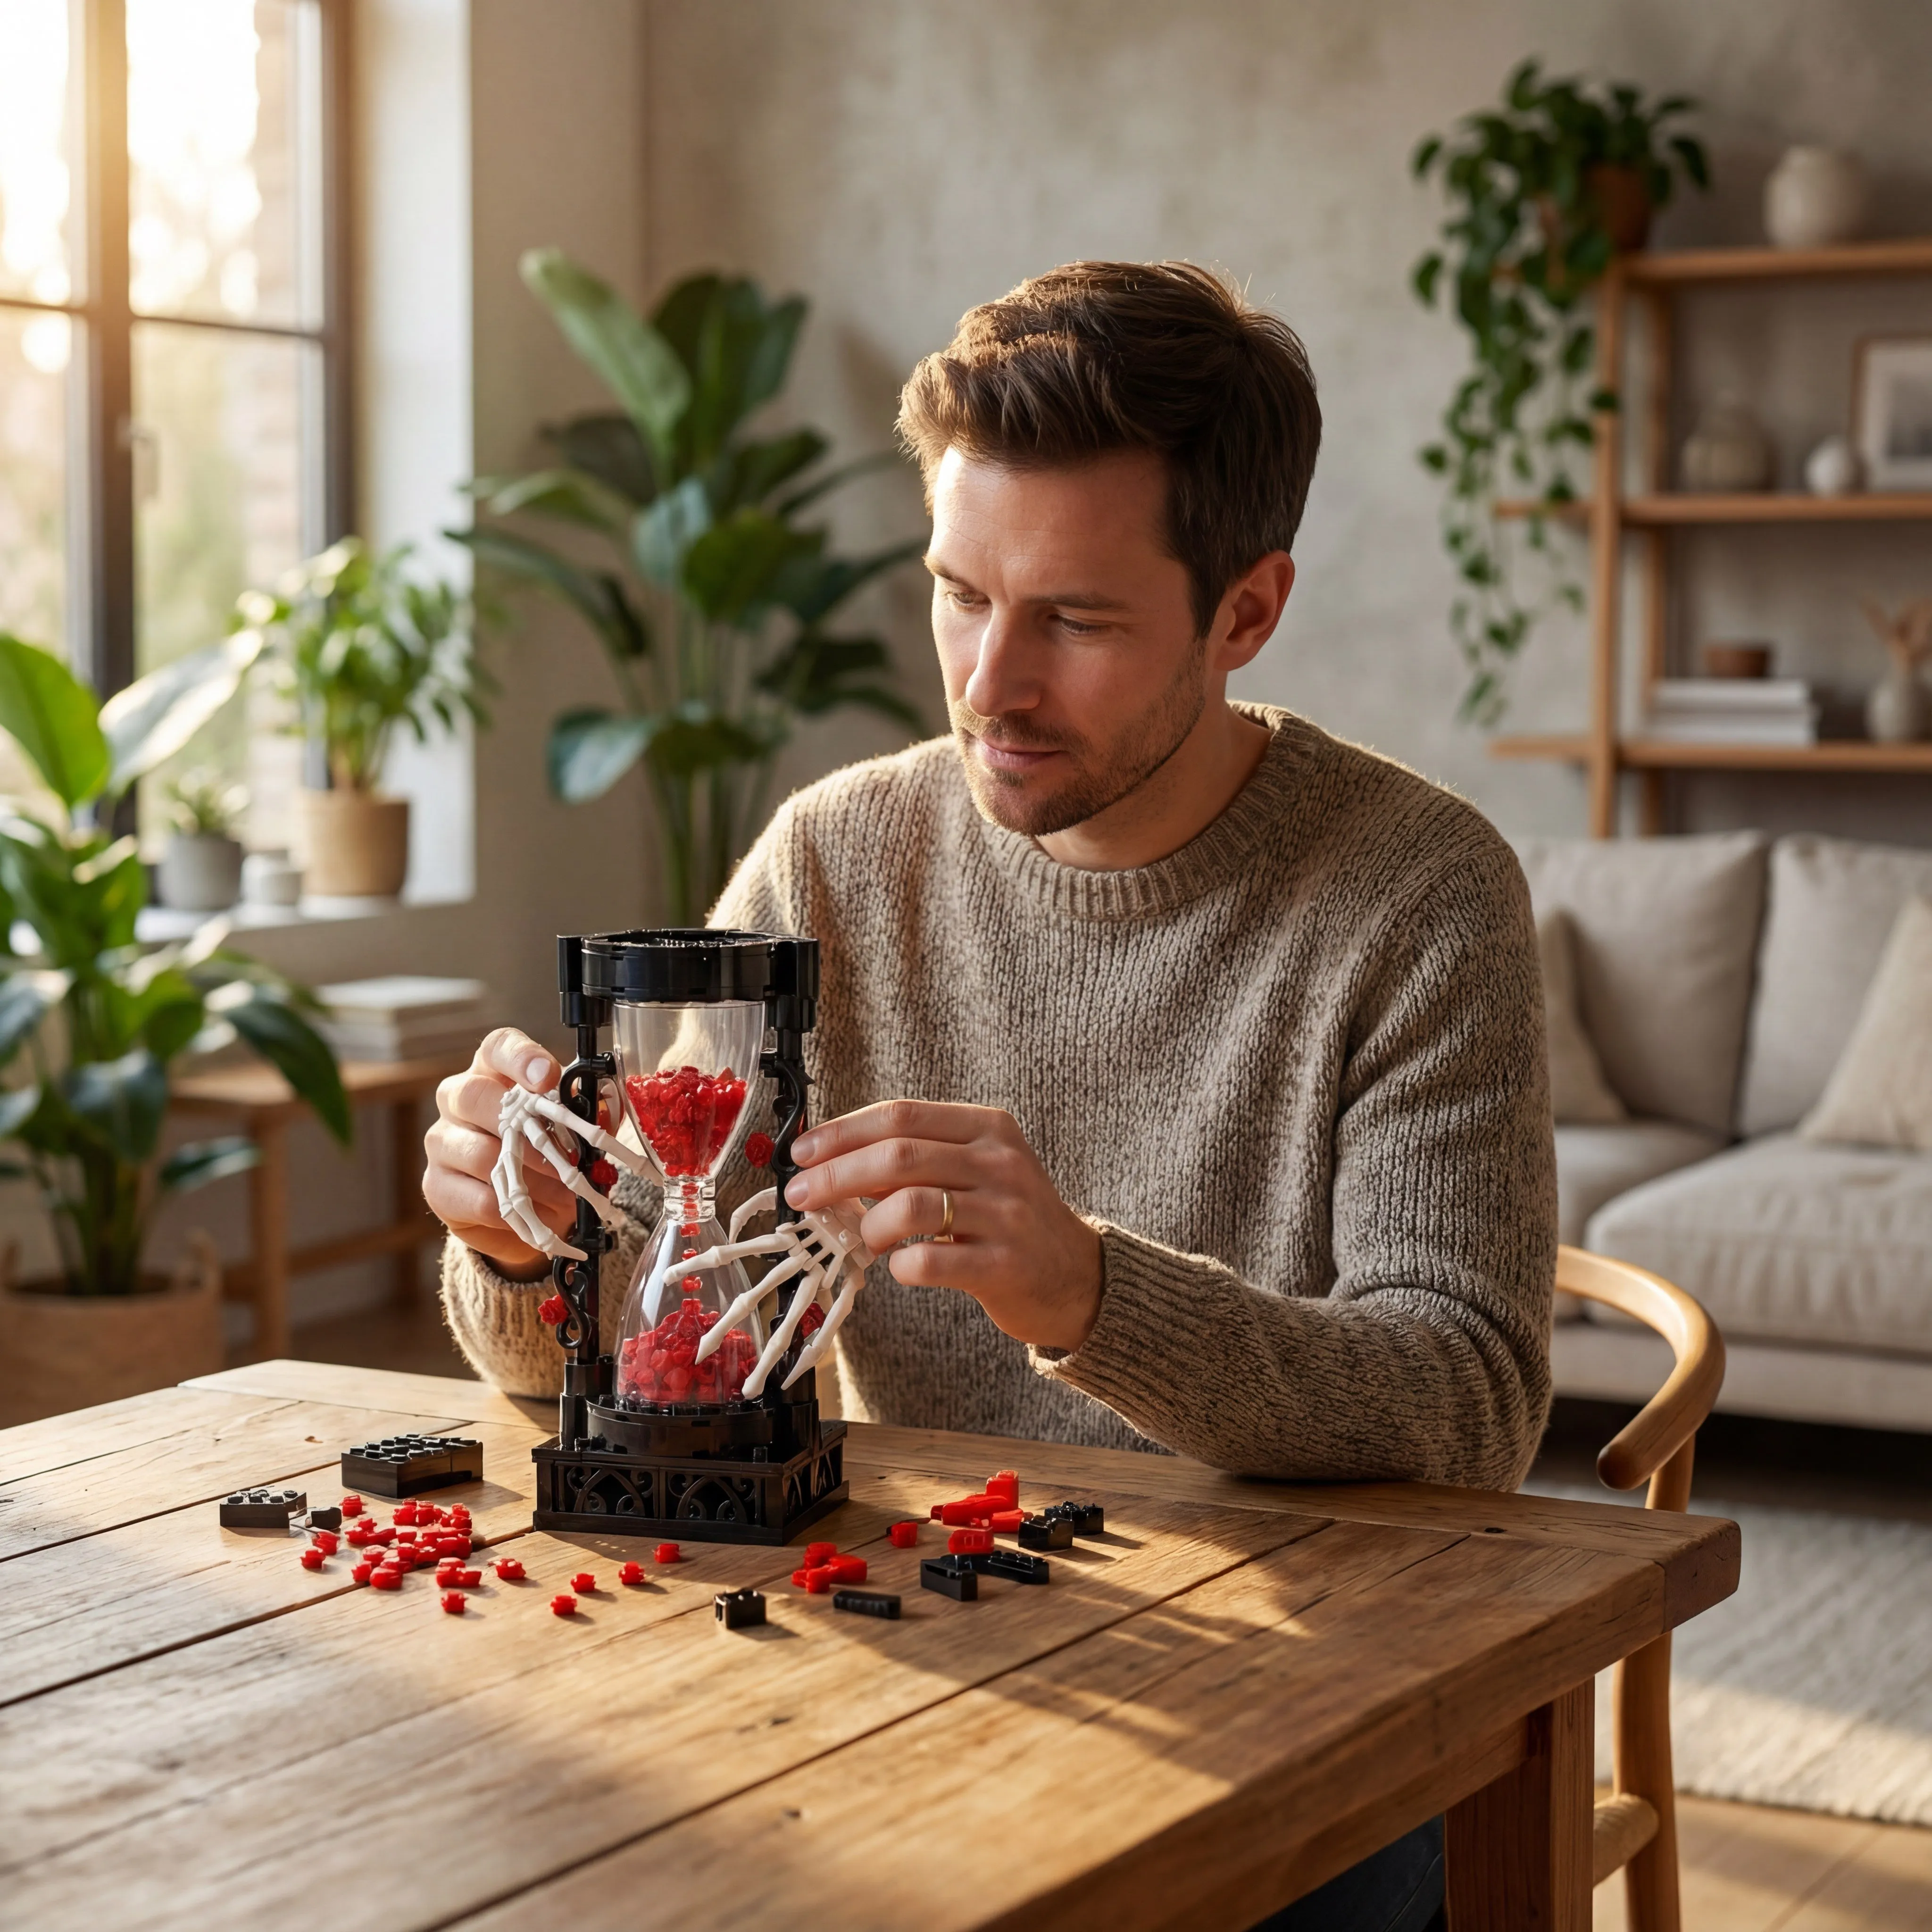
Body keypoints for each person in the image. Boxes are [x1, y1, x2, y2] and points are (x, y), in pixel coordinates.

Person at [425, 261, 1555, 1932]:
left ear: (1246, 611)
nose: (988, 683)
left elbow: (1469, 1408)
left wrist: (1091, 1294)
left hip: (1300, 1685)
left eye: (1076, 622)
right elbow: (662, 1323)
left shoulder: (1418, 893)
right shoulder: (833, 857)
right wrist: (524, 1248)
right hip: (909, 1631)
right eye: (961, 593)